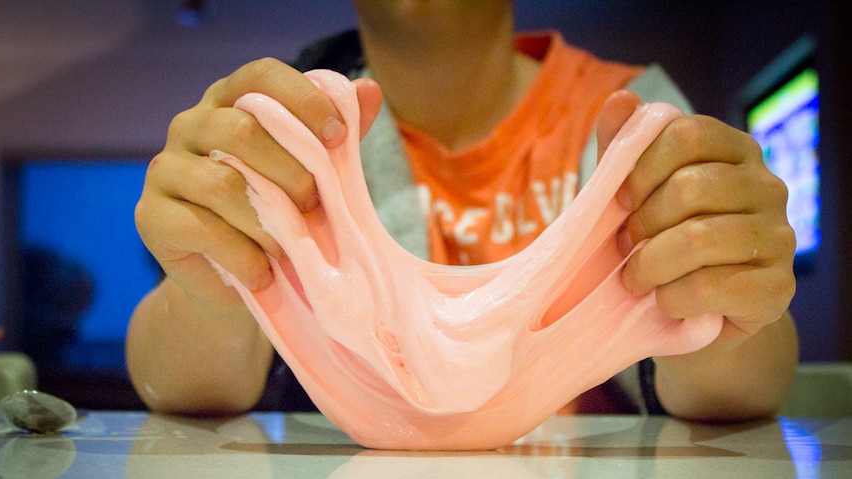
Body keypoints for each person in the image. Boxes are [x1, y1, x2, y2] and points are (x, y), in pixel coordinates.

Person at [126, 1, 798, 422]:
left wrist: (727, 286)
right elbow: (182, 381)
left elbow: (739, 378)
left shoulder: (633, 118)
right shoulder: (280, 145)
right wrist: (213, 287)